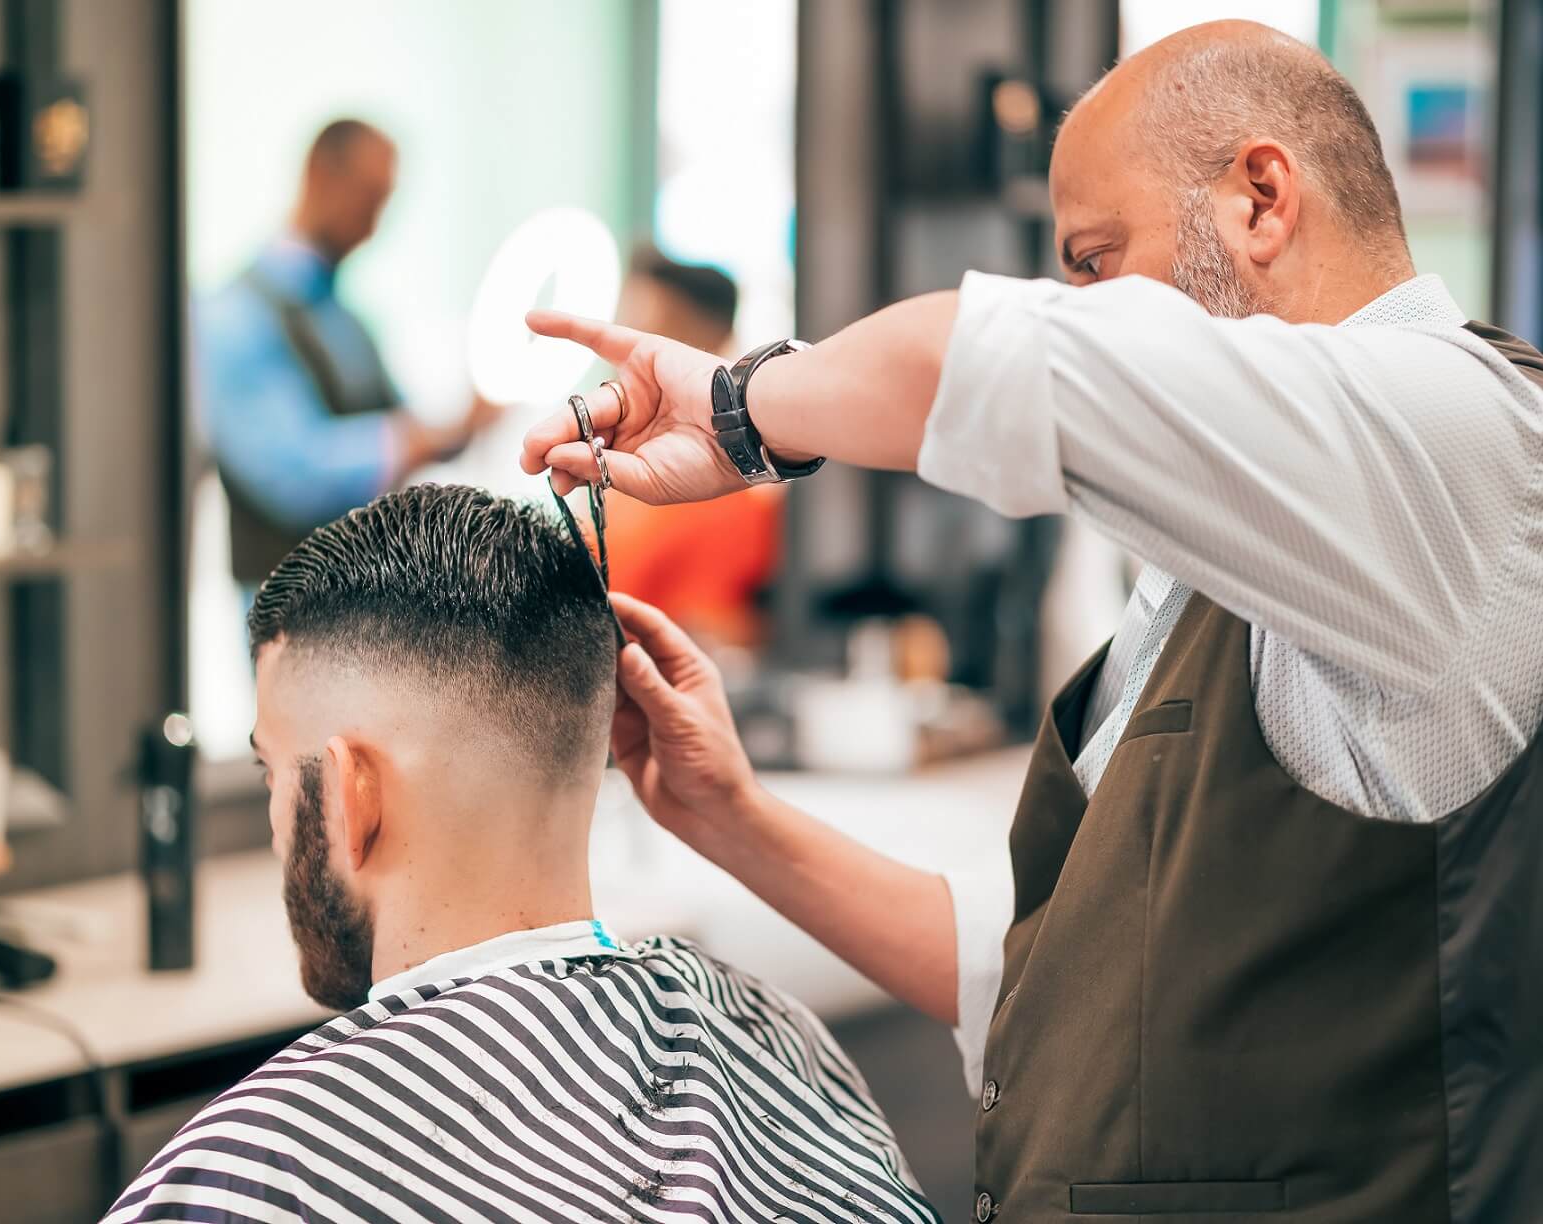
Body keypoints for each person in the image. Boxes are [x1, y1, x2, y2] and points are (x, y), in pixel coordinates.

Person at [522, 21, 1542, 1223]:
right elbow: (1040, 970)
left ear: (1260, 200)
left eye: (1094, 261)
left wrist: (741, 408)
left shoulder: (1454, 435)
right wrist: (727, 816)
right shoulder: (1262, 541)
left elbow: (1001, 364)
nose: (1078, 301)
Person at [104, 485, 939, 1224]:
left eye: (271, 770)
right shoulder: (776, 1038)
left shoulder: (254, 1173)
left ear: (349, 793)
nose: (277, 820)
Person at [198, 118, 499, 588]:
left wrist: (460, 426)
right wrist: (417, 439)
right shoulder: (234, 316)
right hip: (286, 602)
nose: (372, 226)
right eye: (367, 198)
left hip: (359, 597)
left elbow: (402, 417)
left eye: (383, 203)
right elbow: (292, 474)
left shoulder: (346, 319)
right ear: (320, 174)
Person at [603, 248, 784, 647]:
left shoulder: (734, 498)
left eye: (652, 330)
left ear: (708, 338)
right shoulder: (620, 475)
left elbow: (718, 638)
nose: (634, 354)